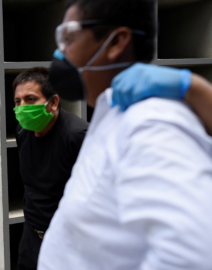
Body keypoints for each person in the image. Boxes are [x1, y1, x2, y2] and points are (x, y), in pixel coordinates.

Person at [38, 0, 212, 269]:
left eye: (69, 37)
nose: (60, 53)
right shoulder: (112, 113)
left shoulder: (149, 122)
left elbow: (193, 255)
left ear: (117, 42)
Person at [13, 67, 88, 270]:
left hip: (69, 242)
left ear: (53, 102)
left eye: (30, 99)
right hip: (32, 236)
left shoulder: (78, 136)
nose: (22, 108)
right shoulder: (23, 131)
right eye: (17, 102)